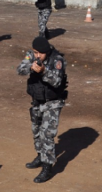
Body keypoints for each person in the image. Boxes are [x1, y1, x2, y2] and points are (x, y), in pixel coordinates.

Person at [17, 37, 68, 183]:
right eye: (35, 52)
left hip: (53, 102)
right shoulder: (31, 55)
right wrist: (30, 67)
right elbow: (19, 69)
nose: (37, 55)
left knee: (47, 134)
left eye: (40, 53)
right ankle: (40, 155)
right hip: (37, 101)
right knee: (36, 130)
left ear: (47, 51)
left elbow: (57, 81)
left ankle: (47, 166)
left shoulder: (57, 60)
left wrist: (44, 71)